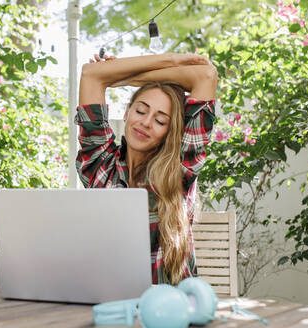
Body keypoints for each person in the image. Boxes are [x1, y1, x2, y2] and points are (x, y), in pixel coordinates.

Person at [74, 52, 218, 285]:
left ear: (170, 132)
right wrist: (167, 64)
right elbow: (92, 75)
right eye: (141, 110)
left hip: (171, 309)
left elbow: (205, 75)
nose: (146, 123)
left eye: (161, 121)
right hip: (111, 303)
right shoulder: (101, 164)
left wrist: (124, 79)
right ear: (127, 112)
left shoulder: (179, 168)